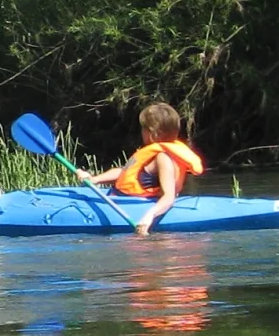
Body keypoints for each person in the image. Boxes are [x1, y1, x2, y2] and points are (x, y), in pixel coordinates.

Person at [84, 100, 205, 235]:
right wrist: (94, 179)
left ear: (153, 134)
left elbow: (169, 197)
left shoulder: (163, 158)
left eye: (143, 128)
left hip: (135, 205)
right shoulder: (153, 154)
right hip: (120, 198)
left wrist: (149, 216)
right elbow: (124, 172)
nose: (141, 132)